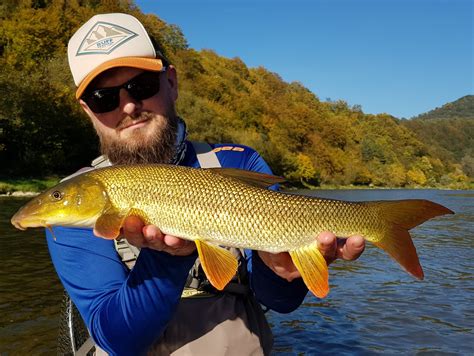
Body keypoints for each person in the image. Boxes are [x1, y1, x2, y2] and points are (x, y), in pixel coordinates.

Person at [47, 12, 366, 355]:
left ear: (171, 82)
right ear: (87, 110)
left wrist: (282, 272)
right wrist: (170, 257)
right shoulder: (74, 203)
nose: (128, 105)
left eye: (142, 85)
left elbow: (280, 302)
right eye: (103, 98)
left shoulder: (236, 162)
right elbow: (118, 341)